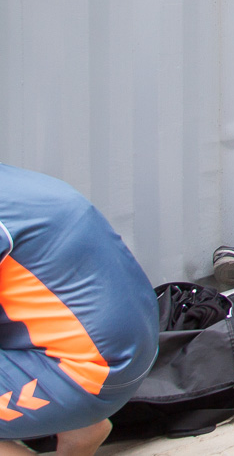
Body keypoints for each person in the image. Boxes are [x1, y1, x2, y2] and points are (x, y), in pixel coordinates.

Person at [0, 164, 159, 456]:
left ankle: (75, 413)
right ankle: (80, 429)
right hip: (135, 352)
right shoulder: (12, 185)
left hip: (87, 374)